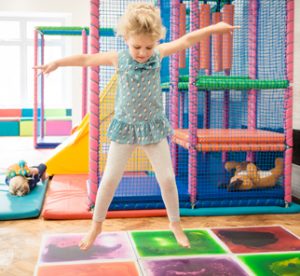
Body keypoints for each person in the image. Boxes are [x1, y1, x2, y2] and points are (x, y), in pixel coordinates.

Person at [34, 3, 239, 250]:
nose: (142, 53)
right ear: (126, 40)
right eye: (136, 47)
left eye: (148, 47)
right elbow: (86, 58)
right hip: (125, 128)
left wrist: (214, 27)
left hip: (152, 128)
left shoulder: (158, 54)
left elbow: (186, 40)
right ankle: (96, 225)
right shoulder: (118, 58)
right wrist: (57, 62)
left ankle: (175, 224)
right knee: (109, 179)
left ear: (155, 42)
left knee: (166, 178)